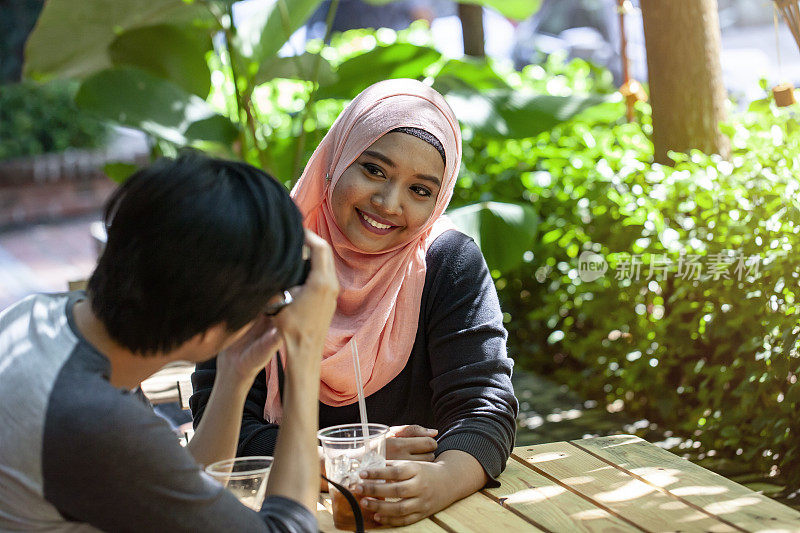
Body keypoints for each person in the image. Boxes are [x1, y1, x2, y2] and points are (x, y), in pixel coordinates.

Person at [191, 79, 518, 526]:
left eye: (420, 190)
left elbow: (484, 407)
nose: (388, 203)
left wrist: (439, 483)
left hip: (413, 518)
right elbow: (222, 426)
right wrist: (345, 462)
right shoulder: (263, 260)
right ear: (336, 160)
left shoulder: (448, 263)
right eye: (374, 170)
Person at [0, 154, 339, 532]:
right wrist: (306, 354)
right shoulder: (93, 420)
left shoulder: (39, 318)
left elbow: (180, 503)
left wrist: (234, 375)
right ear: (210, 324)